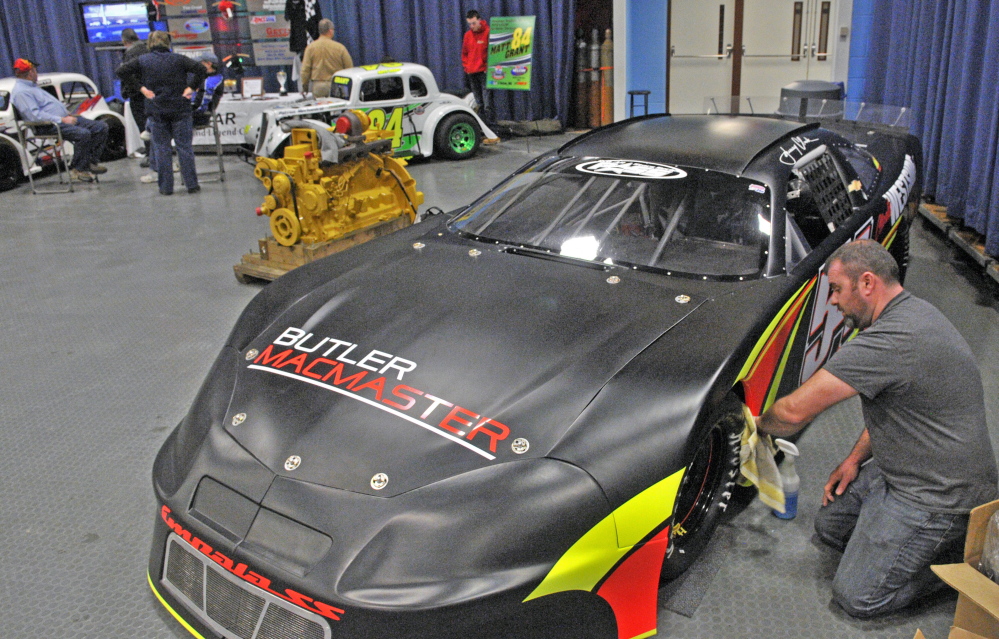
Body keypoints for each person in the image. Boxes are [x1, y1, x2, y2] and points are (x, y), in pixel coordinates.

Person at [757, 239, 998, 618]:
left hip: (938, 495)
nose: (833, 302)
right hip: (904, 470)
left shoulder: (888, 341)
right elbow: (898, 404)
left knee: (858, 596)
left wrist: (754, 426)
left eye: (836, 290)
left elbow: (792, 412)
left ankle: (958, 562)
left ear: (867, 283)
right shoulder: (913, 313)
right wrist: (854, 459)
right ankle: (899, 537)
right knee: (831, 527)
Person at [117, 31, 207, 195]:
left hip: (157, 110)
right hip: (180, 109)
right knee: (184, 148)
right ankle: (191, 185)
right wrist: (191, 87)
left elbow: (121, 72)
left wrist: (141, 88)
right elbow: (201, 69)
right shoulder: (179, 59)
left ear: (150, 44)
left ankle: (166, 187)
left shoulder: (143, 60)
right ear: (168, 43)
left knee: (161, 149)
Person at [10, 58, 109, 183]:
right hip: (48, 125)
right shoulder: (22, 92)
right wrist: (61, 119)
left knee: (101, 127)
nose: (37, 73)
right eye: (35, 70)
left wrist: (65, 114)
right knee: (83, 134)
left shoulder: (32, 87)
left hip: (62, 120)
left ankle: (89, 163)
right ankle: (78, 169)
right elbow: (35, 116)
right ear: (30, 73)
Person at [119, 28, 150, 165]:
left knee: (144, 127)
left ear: (124, 41)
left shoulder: (130, 53)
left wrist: (129, 91)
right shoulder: (147, 49)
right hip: (151, 93)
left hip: (137, 95)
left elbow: (126, 74)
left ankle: (151, 156)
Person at [300, 19, 352, 98]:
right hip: (337, 85)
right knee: (337, 109)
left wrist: (305, 87)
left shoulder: (310, 48)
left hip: (318, 86)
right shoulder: (340, 48)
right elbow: (349, 68)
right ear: (330, 31)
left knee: (321, 109)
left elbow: (305, 70)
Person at [461, 9, 492, 122]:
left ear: (479, 20)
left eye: (473, 23)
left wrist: (488, 66)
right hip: (472, 73)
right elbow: (464, 53)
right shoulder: (467, 35)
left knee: (487, 102)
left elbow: (492, 52)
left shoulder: (488, 32)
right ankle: (482, 127)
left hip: (484, 72)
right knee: (478, 103)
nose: (472, 26)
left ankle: (491, 126)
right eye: (469, 24)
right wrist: (467, 67)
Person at [190, 53, 224, 127]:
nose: (197, 66)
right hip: (193, 112)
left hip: (199, 116)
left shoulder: (212, 81)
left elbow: (202, 104)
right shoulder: (202, 77)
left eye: (200, 64)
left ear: (209, 64)